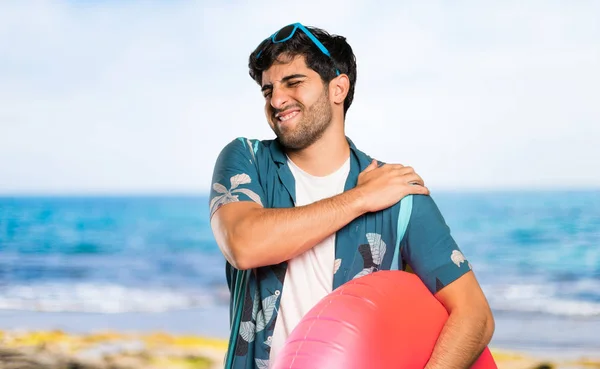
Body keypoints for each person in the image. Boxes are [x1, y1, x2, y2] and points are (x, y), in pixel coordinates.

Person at [209, 22, 495, 369]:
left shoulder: (398, 194)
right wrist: (359, 199)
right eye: (268, 90)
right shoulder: (247, 158)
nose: (277, 100)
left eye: (293, 82)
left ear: (338, 89)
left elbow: (474, 314)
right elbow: (244, 244)